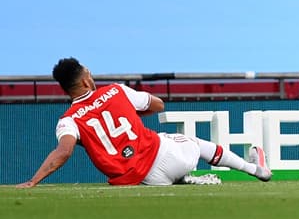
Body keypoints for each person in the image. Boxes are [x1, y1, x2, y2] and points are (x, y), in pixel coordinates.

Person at [17, 57, 271, 187]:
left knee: (171, 148)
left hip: (144, 180)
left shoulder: (68, 120)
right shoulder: (115, 91)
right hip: (163, 155)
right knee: (193, 142)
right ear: (85, 80)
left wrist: (33, 181)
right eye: (89, 73)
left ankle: (183, 179)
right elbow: (158, 105)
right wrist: (127, 112)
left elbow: (63, 152)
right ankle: (256, 169)